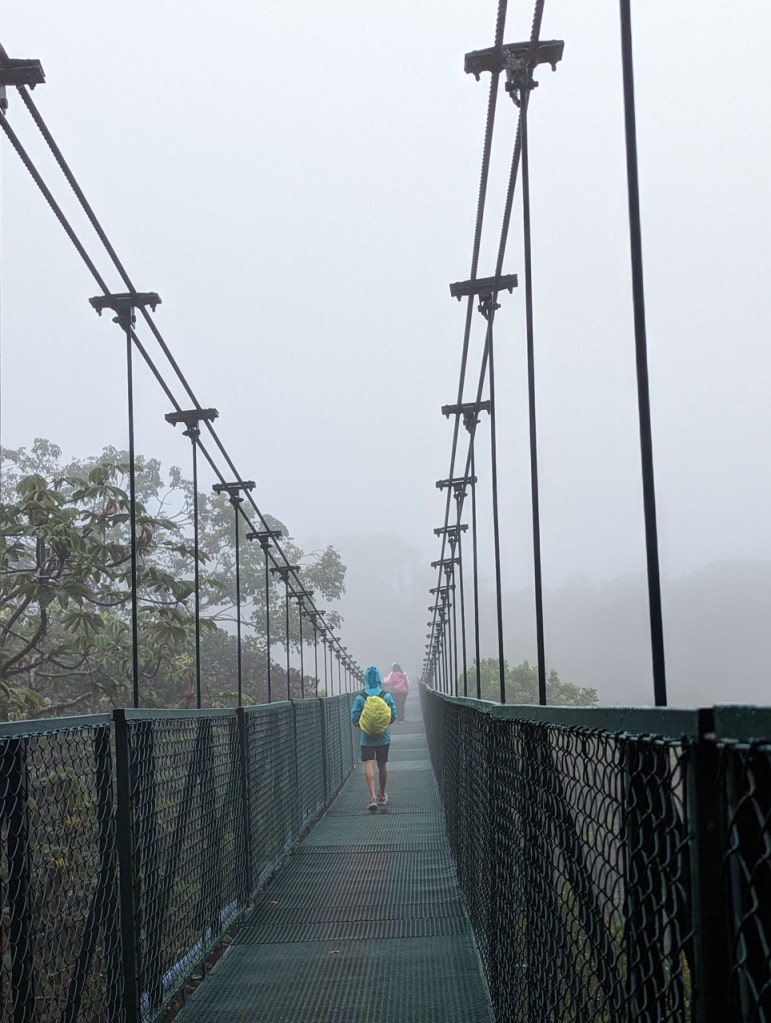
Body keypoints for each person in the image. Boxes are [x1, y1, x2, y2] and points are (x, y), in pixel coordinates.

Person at [351, 665, 397, 811]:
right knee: (382, 764)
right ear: (379, 679)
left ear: (365, 679)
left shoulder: (361, 698)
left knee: (369, 763)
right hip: (383, 737)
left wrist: (364, 726)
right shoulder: (386, 696)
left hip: (366, 738)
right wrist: (383, 725)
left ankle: (372, 798)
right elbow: (393, 715)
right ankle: (382, 795)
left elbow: (354, 718)